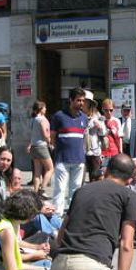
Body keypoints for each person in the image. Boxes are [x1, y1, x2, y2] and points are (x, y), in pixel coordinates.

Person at [51, 87, 88, 215]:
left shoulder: (84, 118)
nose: (81, 103)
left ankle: (73, 215)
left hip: (79, 160)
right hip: (62, 159)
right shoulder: (58, 116)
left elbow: (84, 138)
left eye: (83, 100)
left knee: (76, 190)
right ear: (71, 100)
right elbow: (52, 137)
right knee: (60, 189)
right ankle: (57, 215)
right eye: (78, 100)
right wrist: (57, 151)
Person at [28, 100, 54, 196]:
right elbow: (45, 133)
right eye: (44, 107)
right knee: (50, 168)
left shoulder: (33, 119)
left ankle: (35, 192)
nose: (46, 109)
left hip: (34, 146)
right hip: (42, 146)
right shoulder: (42, 119)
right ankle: (42, 189)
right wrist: (50, 140)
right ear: (40, 109)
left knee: (37, 172)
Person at [84, 92, 106, 182]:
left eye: (86, 101)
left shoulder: (97, 116)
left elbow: (103, 133)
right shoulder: (78, 116)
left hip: (94, 150)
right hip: (81, 150)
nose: (83, 104)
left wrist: (99, 127)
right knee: (80, 176)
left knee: (95, 175)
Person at [101, 98, 123, 163]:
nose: (109, 112)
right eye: (106, 110)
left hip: (115, 151)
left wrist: (121, 151)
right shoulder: (99, 120)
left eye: (111, 110)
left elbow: (120, 137)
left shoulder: (117, 121)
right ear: (102, 109)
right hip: (103, 152)